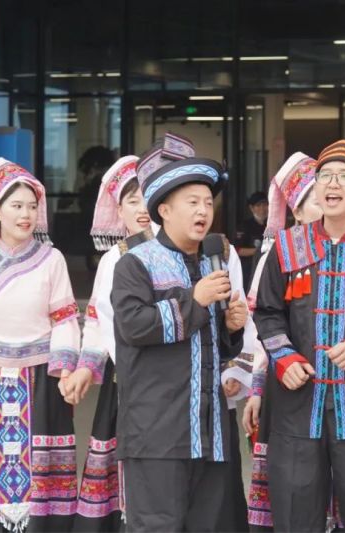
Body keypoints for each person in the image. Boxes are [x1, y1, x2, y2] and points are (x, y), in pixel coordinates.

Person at [253, 140, 345, 531]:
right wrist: (284, 358)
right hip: (297, 406)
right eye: (325, 176)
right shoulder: (287, 246)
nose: (332, 184)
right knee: (295, 514)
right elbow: (267, 313)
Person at [0, 159, 89, 532]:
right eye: (17, 206)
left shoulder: (51, 260)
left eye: (32, 206)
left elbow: (65, 320)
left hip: (43, 379)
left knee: (43, 471)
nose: (26, 215)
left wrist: (65, 371)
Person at [111, 143, 250, 531]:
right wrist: (195, 300)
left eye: (207, 202)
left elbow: (211, 345)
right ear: (164, 211)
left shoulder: (213, 261)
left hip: (210, 432)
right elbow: (134, 326)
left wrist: (231, 328)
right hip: (156, 434)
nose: (203, 211)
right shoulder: (134, 263)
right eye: (192, 202)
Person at [240, 152, 323, 530]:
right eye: (316, 202)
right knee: (295, 483)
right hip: (292, 385)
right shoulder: (279, 255)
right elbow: (263, 331)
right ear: (298, 213)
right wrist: (257, 390)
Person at [71, 154, 152, 531]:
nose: (143, 209)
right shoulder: (112, 261)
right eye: (133, 201)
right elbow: (99, 321)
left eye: (149, 197)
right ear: (119, 210)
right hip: (128, 381)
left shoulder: (184, 252)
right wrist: (85, 369)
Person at [237, 191, 269, 289]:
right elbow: (238, 250)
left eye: (265, 205)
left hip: (267, 271)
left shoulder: (271, 225)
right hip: (250, 271)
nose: (262, 208)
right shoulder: (245, 226)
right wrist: (259, 250)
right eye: (258, 205)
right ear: (251, 208)